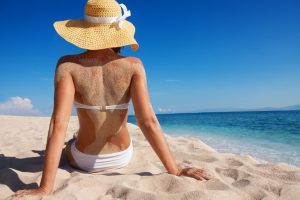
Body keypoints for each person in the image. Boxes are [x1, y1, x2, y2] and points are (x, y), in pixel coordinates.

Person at [14, 0, 210, 198]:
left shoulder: (67, 66)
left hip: (84, 159)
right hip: (121, 156)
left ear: (85, 30)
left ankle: (75, 140)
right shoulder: (134, 65)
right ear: (119, 32)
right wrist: (175, 170)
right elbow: (148, 122)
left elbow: (58, 124)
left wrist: (45, 188)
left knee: (69, 144)